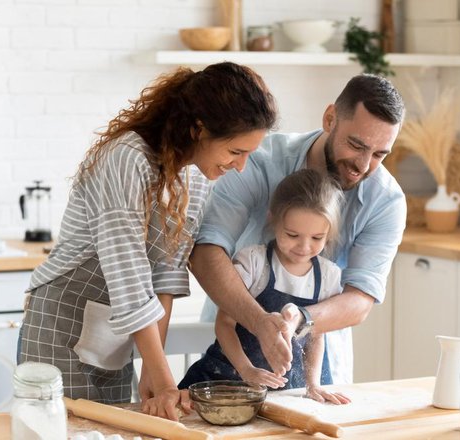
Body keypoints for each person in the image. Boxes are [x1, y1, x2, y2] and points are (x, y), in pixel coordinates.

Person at [17, 62, 278, 421]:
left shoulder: (196, 179)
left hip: (119, 332)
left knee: (112, 431)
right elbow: (129, 275)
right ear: (199, 128)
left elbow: (166, 275)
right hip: (61, 323)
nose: (241, 166)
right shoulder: (127, 158)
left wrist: (154, 373)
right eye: (235, 151)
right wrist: (164, 378)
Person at [190, 73, 406, 384]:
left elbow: (360, 301)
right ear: (330, 119)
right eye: (356, 145)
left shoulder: (386, 201)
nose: (363, 164)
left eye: (379, 154)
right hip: (229, 353)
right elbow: (206, 251)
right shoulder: (259, 160)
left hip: (317, 368)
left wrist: (301, 319)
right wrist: (260, 323)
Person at [179, 169, 350, 404]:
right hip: (224, 383)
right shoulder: (253, 262)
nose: (304, 246)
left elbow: (316, 336)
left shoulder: (329, 276)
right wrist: (246, 370)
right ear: (273, 219)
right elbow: (224, 324)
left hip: (279, 393)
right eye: (292, 234)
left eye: (317, 238)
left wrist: (313, 385)